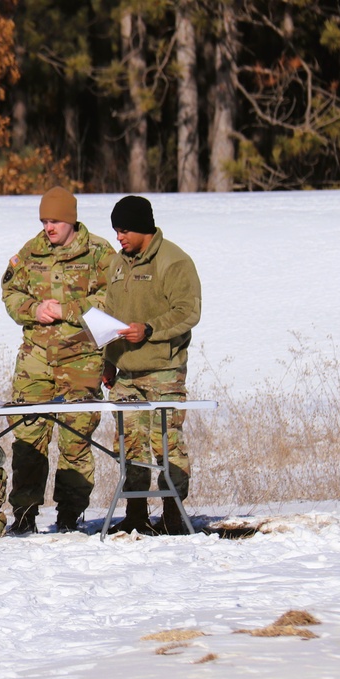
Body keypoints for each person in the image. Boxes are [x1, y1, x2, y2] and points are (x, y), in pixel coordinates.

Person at [1, 186, 115, 534]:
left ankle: (69, 514)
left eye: (55, 221)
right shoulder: (31, 251)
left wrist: (68, 310)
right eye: (44, 220)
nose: (49, 227)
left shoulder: (98, 253)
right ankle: (24, 514)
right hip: (35, 359)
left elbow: (112, 297)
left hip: (80, 359)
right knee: (28, 438)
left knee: (76, 439)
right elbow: (9, 291)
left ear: (71, 220)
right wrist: (34, 309)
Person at [101, 195, 201, 535]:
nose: (119, 237)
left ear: (143, 227)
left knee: (167, 443)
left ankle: (174, 513)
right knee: (128, 443)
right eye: (116, 231)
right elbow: (110, 317)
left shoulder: (174, 261)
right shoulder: (117, 264)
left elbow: (187, 312)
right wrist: (108, 361)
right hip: (125, 373)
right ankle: (136, 513)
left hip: (163, 370)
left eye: (125, 230)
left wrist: (150, 329)